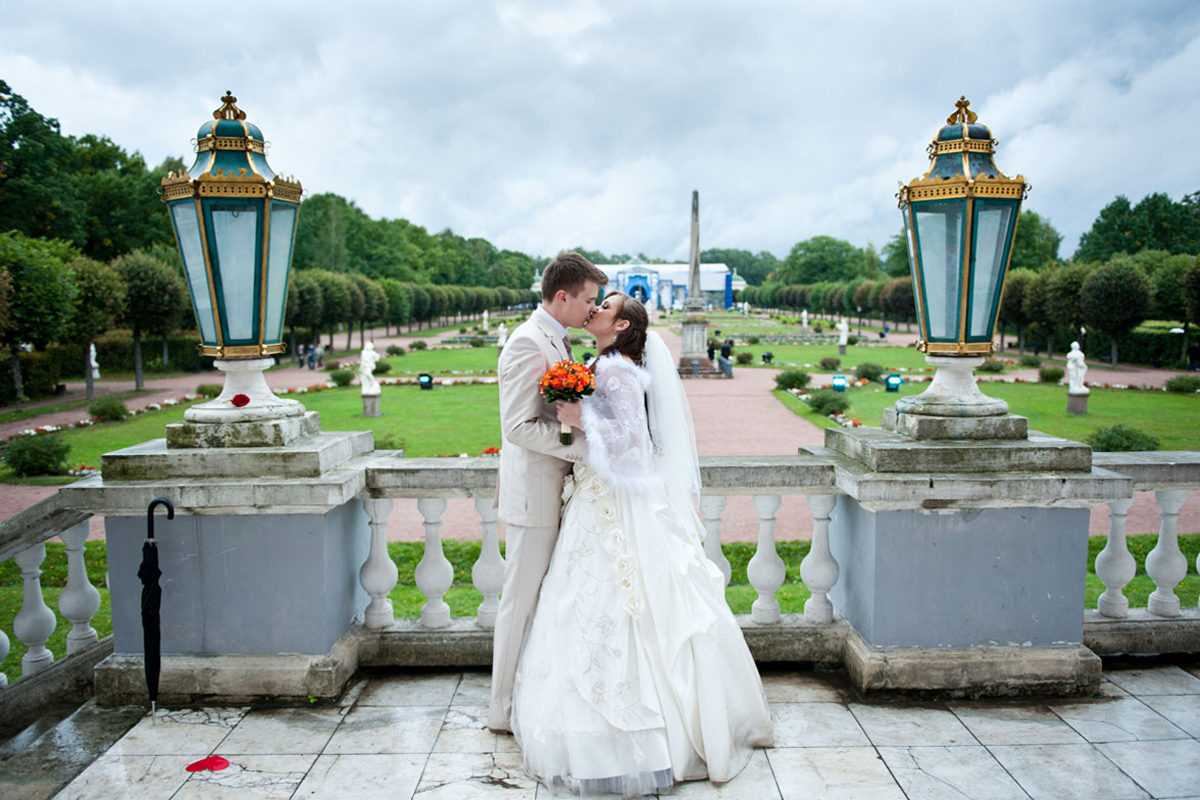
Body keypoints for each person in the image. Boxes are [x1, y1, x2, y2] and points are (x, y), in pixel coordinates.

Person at [512, 291, 773, 797]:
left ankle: (644, 734)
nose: (595, 310)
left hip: (619, 502)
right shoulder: (599, 363)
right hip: (598, 496)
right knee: (584, 605)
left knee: (622, 605)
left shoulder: (617, 372)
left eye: (604, 306)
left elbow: (632, 444)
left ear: (624, 325)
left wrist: (576, 419)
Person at [490, 252, 609, 734]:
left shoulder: (557, 340)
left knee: (545, 602)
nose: (590, 310)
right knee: (518, 602)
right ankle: (500, 706)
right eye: (586, 300)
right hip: (533, 497)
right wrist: (583, 446)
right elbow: (517, 427)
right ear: (561, 296)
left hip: (559, 493)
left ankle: (532, 697)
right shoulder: (526, 344)